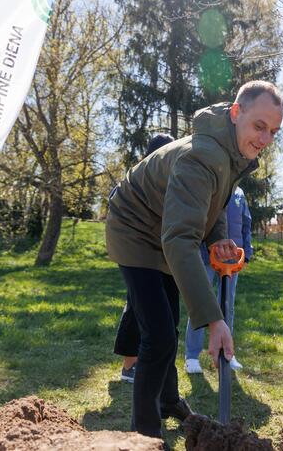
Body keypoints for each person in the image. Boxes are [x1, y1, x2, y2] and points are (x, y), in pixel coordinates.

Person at [106, 81, 283, 440]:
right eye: (259, 126)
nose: (265, 139)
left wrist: (218, 238)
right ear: (236, 113)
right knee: (156, 336)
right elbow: (180, 240)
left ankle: (169, 400)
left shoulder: (230, 151)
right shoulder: (204, 156)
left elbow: (212, 202)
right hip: (135, 230)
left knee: (167, 327)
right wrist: (214, 321)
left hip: (163, 230)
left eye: (273, 131)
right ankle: (144, 434)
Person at [113, 133, 175, 383]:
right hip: (139, 253)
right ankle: (129, 366)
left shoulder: (169, 178)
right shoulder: (139, 178)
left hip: (164, 254)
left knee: (160, 313)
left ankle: (155, 370)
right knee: (136, 309)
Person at [184, 186, 253, 374]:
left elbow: (246, 223)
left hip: (233, 258)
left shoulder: (239, 193)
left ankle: (226, 354)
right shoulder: (212, 188)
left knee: (227, 305)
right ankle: (192, 356)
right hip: (207, 256)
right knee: (201, 305)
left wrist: (247, 251)